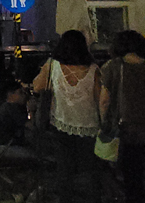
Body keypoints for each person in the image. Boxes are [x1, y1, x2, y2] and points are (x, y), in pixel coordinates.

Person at [32, 30, 102, 203]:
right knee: (90, 170)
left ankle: (66, 198)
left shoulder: (52, 65)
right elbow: (100, 100)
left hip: (61, 123)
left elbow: (37, 86)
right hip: (89, 125)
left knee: (64, 168)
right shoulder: (94, 70)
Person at [99, 30, 145, 203]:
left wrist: (104, 124)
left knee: (131, 177)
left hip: (126, 130)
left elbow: (104, 101)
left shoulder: (112, 67)